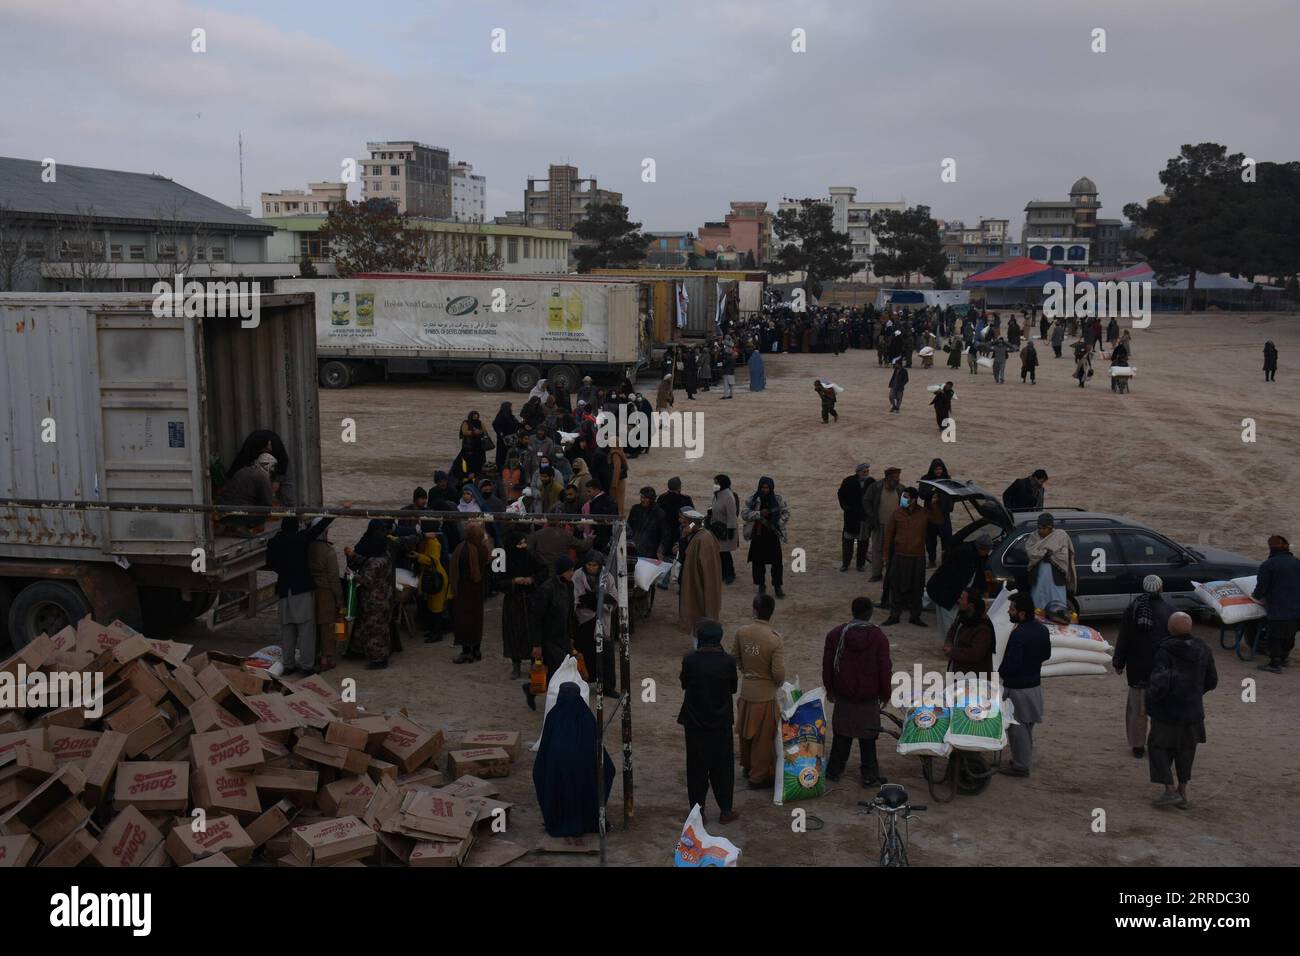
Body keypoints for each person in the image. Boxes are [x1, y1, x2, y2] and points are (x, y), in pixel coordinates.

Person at [1146, 612, 1218, 809]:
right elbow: (1212, 681)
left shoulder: (1165, 650)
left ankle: (1169, 790)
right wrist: (1195, 692)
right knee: (1186, 750)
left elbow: (1159, 683)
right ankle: (1182, 791)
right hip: (1192, 711)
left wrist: (1151, 701)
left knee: (1157, 747)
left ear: (1170, 628)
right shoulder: (1203, 649)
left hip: (1167, 711)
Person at [822, 597, 892, 787]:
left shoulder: (836, 634)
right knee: (868, 737)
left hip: (844, 694)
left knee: (842, 734)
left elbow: (828, 665)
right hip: (868, 697)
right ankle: (869, 776)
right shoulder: (878, 637)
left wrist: (830, 688)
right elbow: (884, 668)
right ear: (870, 613)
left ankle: (834, 771)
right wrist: (886, 693)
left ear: (853, 611)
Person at [533, 682, 616, 837]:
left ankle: (557, 818)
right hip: (584, 773)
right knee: (604, 771)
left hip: (557, 771)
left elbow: (542, 756)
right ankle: (589, 818)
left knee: (544, 773)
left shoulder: (553, 716)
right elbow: (606, 765)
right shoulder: (587, 718)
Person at [678, 618, 739, 826]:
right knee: (723, 767)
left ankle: (698, 812)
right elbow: (733, 688)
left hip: (695, 723)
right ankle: (725, 810)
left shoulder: (690, 660)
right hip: (721, 723)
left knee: (696, 768)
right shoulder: (729, 662)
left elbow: (684, 683)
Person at [266, 512, 337, 676]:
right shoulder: (300, 540)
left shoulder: (273, 542)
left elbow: (271, 564)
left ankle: (289, 664)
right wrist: (335, 512)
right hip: (301, 590)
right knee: (306, 631)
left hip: (284, 590)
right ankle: (306, 666)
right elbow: (318, 528)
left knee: (287, 630)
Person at [1115, 575, 1176, 756]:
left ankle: (1138, 746)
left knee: (1137, 711)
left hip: (1137, 670)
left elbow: (1123, 638)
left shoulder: (1132, 610)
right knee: (1160, 711)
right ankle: (1159, 744)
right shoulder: (1170, 612)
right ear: (1161, 588)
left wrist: (1119, 662)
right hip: (1161, 671)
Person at [731, 593, 785, 789]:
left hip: (747, 691)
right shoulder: (774, 639)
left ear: (754, 610)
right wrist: (776, 683)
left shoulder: (742, 632)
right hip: (765, 695)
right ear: (771, 613)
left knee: (746, 733)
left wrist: (747, 672)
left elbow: (735, 658)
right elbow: (778, 672)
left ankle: (747, 767)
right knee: (763, 739)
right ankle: (758, 776)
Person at [998, 591, 1051, 777]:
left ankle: (1020, 766)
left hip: (1018, 689)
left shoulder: (1019, 634)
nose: (1009, 613)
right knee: (1026, 728)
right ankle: (1022, 760)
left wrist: (1001, 672)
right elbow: (1046, 655)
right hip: (1034, 686)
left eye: (1012, 609)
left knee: (1017, 729)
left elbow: (1012, 664)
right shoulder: (1042, 630)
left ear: (1021, 613)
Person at [343, 520, 395, 669]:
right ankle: (368, 653)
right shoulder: (385, 556)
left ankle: (378, 660)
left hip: (374, 601)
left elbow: (366, 580)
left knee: (375, 631)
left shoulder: (375, 562)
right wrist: (353, 556)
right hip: (384, 598)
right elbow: (366, 561)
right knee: (380, 629)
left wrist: (352, 575)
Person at [926, 531, 994, 645]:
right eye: (987, 550)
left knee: (955, 620)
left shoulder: (979, 555)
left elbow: (983, 575)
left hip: (957, 592)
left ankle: (952, 644)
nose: (988, 553)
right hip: (945, 591)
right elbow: (954, 578)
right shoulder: (964, 553)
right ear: (981, 548)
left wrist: (986, 591)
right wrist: (961, 597)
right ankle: (950, 645)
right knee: (949, 621)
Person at [1251, 534, 1300, 672]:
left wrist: (1255, 596)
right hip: (1296, 607)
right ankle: (1284, 658)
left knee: (1274, 635)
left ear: (1271, 548)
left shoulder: (1268, 565)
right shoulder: (1297, 562)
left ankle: (1275, 663)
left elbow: (1262, 587)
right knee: (1289, 634)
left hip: (1278, 606)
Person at [573, 551, 619, 695]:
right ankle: (581, 683)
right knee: (584, 653)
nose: (592, 567)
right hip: (584, 620)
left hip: (603, 619)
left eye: (595, 565)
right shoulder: (578, 575)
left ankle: (608, 687)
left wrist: (602, 600)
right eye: (589, 564)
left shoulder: (607, 576)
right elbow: (576, 597)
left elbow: (613, 597)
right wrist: (589, 601)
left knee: (606, 653)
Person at [883, 487, 928, 626]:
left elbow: (939, 520)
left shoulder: (924, 513)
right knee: (896, 585)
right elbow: (889, 535)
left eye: (906, 496)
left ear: (913, 499)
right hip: (899, 555)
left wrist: (935, 505)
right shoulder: (897, 514)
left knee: (917, 586)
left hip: (917, 556)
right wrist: (886, 555)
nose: (903, 498)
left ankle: (915, 615)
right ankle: (894, 614)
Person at [449, 522, 491, 664]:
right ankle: (476, 650)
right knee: (476, 619)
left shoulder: (464, 549)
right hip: (478, 588)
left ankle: (466, 652)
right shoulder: (483, 548)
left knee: (463, 620)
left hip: (464, 589)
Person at [742, 476, 789, 598]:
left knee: (777, 563)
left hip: (773, 535)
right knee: (758, 562)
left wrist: (778, 523)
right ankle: (761, 585)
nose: (765, 490)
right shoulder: (753, 499)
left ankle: (777, 586)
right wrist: (759, 513)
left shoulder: (777, 499)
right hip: (758, 535)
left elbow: (786, 513)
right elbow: (744, 514)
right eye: (763, 487)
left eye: (767, 487)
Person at [306, 519, 344, 672]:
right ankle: (325, 658)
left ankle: (314, 654)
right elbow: (334, 578)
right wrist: (339, 597)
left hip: (310, 590)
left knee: (313, 624)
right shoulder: (328, 552)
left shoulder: (307, 547)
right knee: (327, 625)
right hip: (326, 592)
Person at [501, 530, 539, 679]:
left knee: (531, 632)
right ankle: (515, 665)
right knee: (513, 634)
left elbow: (542, 573)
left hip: (530, 600)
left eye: (525, 543)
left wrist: (531, 580)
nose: (523, 546)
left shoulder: (532, 558)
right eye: (520, 543)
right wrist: (513, 581)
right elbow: (497, 582)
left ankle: (533, 664)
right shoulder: (504, 561)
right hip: (513, 602)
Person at [678, 509, 723, 633]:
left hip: (700, 582)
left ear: (693, 523)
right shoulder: (696, 535)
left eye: (686, 522)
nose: (682, 524)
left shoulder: (701, 538)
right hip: (695, 580)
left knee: (702, 610)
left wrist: (684, 537)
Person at [1025, 512, 1075, 618]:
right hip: (1039, 578)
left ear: (1051, 527)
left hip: (1056, 578)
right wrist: (1046, 552)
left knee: (1057, 606)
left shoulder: (1060, 535)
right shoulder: (1033, 537)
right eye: (1039, 528)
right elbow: (1031, 552)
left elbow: (1064, 555)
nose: (1041, 531)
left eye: (1044, 528)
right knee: (1038, 605)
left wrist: (1049, 555)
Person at [227, 429, 294, 505]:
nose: (270, 449)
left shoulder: (275, 443)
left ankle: (289, 508)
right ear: (259, 448)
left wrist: (277, 481)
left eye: (270, 446)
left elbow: (284, 461)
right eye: (267, 448)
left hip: (280, 463)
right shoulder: (249, 447)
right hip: (259, 470)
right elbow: (239, 461)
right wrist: (229, 477)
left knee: (286, 485)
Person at [217, 452, 277, 534]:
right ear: (266, 465)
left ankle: (230, 525)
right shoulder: (262, 476)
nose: (273, 470)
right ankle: (241, 526)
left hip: (224, 514)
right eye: (272, 466)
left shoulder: (242, 470)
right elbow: (268, 502)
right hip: (242, 514)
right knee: (265, 513)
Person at [944, 587, 994, 675]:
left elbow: (975, 654)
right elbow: (952, 631)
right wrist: (948, 643)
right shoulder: (962, 617)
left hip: (973, 677)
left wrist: (952, 651)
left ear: (971, 605)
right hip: (957, 670)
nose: (958, 601)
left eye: (962, 599)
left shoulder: (983, 627)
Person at [864, 467, 902, 583]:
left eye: (898, 477)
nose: (897, 480)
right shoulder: (876, 487)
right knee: (877, 549)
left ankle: (891, 574)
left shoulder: (901, 489)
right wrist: (872, 516)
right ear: (888, 477)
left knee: (894, 550)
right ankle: (876, 574)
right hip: (879, 524)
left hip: (895, 525)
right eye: (895, 477)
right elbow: (866, 501)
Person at [837, 464, 874, 573]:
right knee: (848, 541)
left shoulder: (871, 482)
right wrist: (844, 506)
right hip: (851, 517)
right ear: (858, 471)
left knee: (863, 542)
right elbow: (841, 494)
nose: (866, 472)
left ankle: (860, 564)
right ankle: (845, 564)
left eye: (867, 471)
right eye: (864, 471)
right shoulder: (849, 481)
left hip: (864, 517)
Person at [917, 458, 953, 569]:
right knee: (930, 539)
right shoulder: (925, 479)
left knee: (946, 538)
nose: (938, 471)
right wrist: (932, 491)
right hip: (930, 515)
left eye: (940, 469)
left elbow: (951, 496)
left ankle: (945, 560)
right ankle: (931, 560)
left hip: (943, 514)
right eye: (936, 469)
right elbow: (922, 494)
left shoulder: (947, 479)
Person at [708, 475, 740, 585]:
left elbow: (732, 516)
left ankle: (730, 574)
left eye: (716, 482)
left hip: (726, 530)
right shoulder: (717, 494)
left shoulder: (728, 496)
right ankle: (723, 573)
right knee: (720, 552)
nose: (714, 484)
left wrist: (731, 531)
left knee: (725, 553)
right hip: (717, 529)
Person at [628, 487, 667, 561]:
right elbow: (628, 527)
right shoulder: (635, 509)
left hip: (650, 552)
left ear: (651, 499)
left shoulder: (659, 513)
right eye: (642, 497)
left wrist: (661, 549)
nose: (642, 500)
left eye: (646, 498)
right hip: (634, 549)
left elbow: (665, 535)